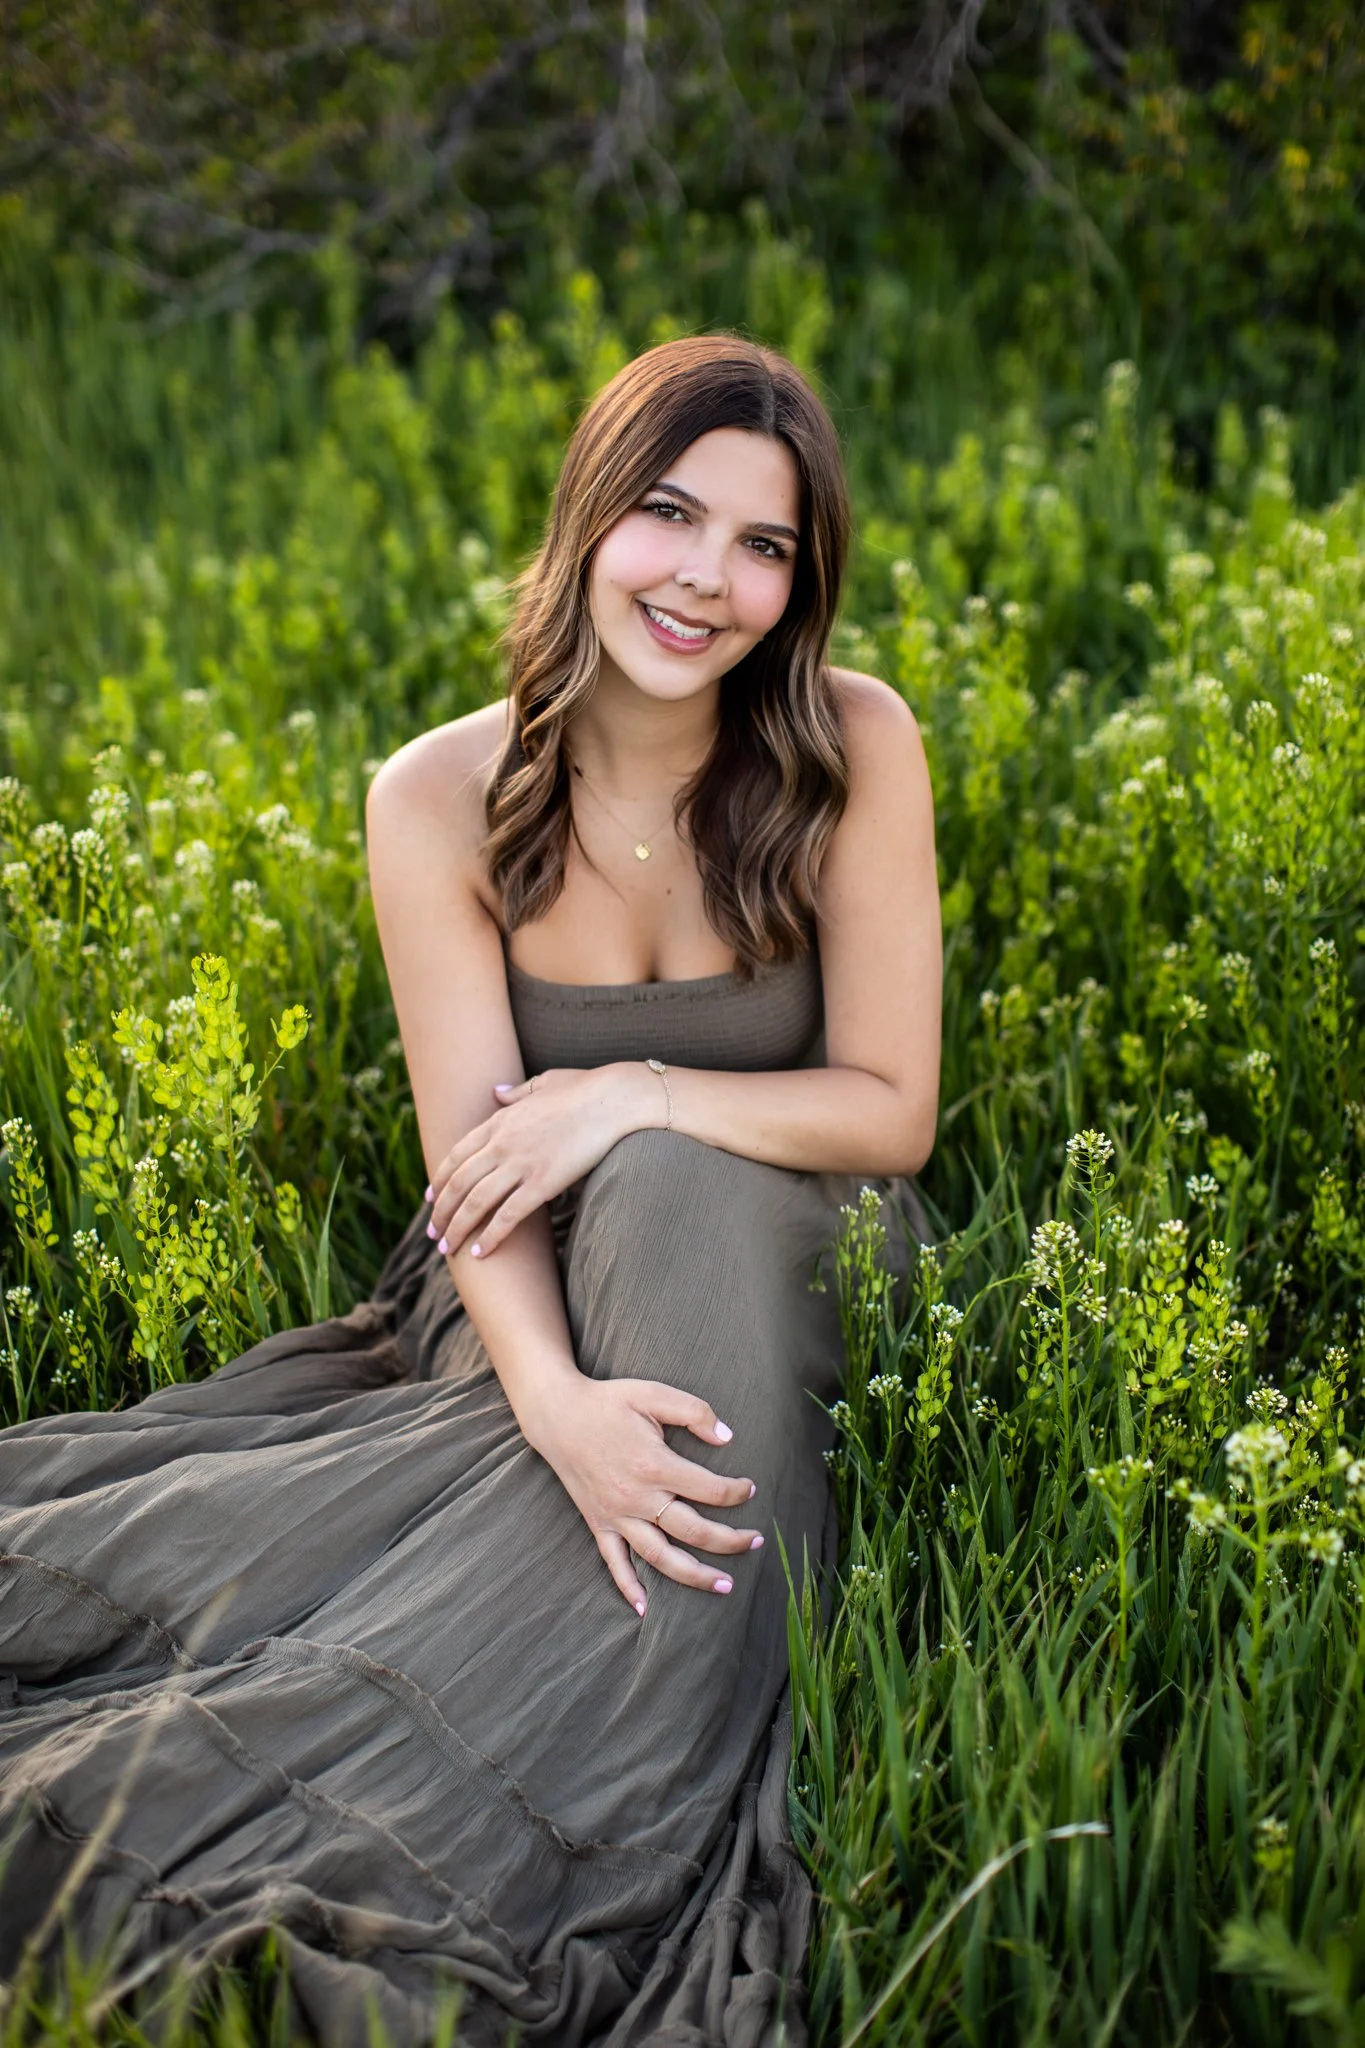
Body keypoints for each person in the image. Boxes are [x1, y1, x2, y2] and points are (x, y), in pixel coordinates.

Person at [0, 335, 942, 2046]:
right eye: (670, 514)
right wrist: (554, 1403)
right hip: (526, 1275)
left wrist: (633, 1094)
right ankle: (594, 1634)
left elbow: (893, 1114)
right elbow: (473, 1167)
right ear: (591, 514)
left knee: (669, 1178)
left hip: (807, 1239)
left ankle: (594, 1754)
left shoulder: (851, 745)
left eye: (764, 545)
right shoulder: (436, 795)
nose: (706, 579)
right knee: (599, 1336)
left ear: (803, 583)